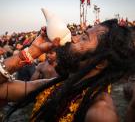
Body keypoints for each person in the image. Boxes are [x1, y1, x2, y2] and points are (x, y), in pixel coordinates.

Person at [4, 9, 135, 122]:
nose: (74, 38)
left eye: (84, 38)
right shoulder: (55, 85)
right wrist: (30, 52)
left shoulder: (100, 113)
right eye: (81, 35)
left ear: (101, 63)